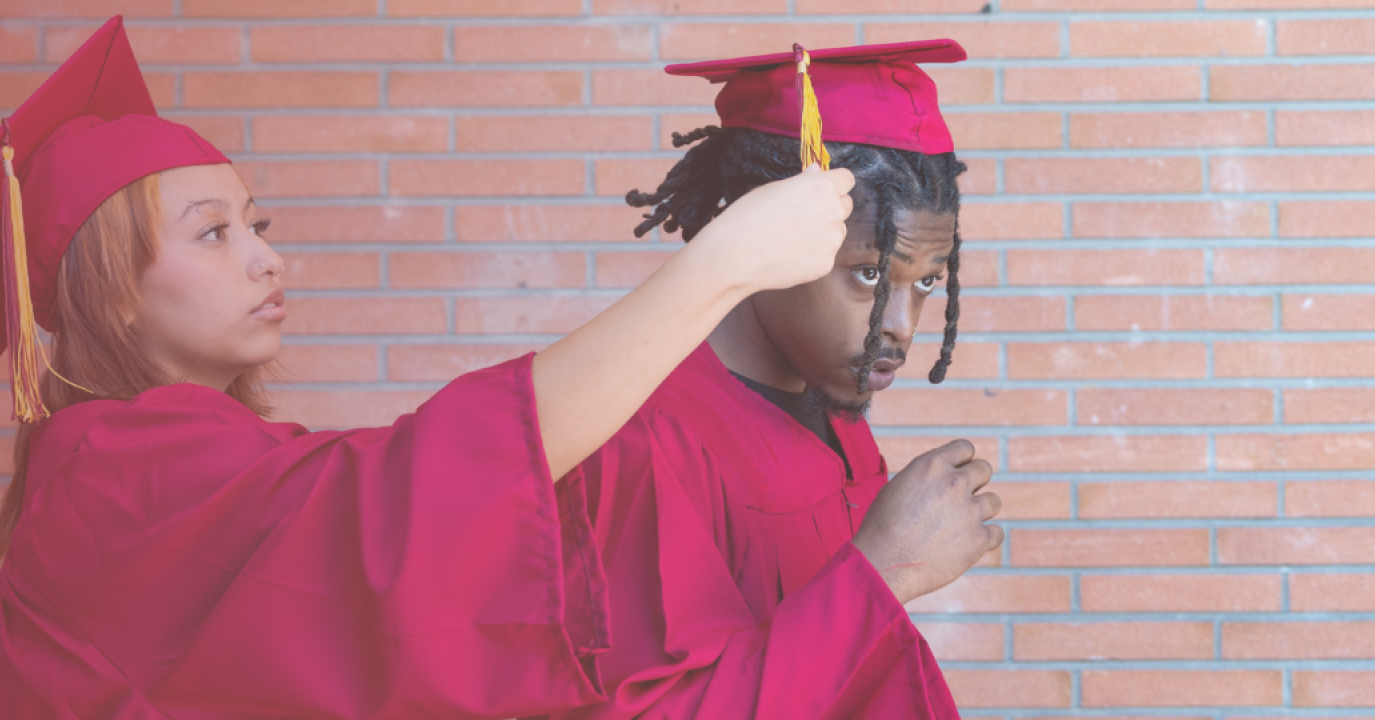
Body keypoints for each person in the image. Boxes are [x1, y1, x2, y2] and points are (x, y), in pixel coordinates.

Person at [0, 17, 869, 718]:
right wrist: (723, 266)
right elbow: (397, 506)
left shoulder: (171, 451)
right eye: (213, 233)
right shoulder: (107, 474)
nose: (267, 259)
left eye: (256, 225)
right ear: (110, 291)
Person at [542, 40, 1000, 718]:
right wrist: (879, 573)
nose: (901, 326)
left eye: (927, 282)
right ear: (774, 234)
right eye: (869, 275)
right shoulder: (641, 441)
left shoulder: (830, 406)